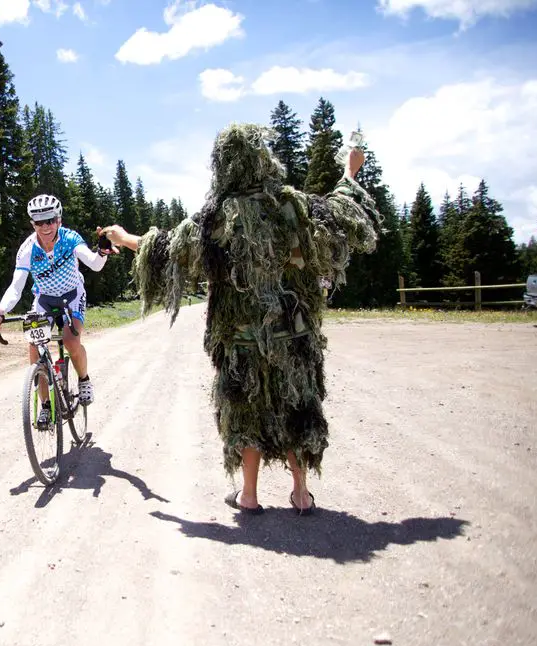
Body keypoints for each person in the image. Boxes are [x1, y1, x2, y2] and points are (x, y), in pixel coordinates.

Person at [99, 122, 380, 516]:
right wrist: (351, 171)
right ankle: (301, 494)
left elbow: (167, 249)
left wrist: (124, 238)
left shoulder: (216, 217)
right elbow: (340, 217)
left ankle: (249, 495)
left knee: (245, 410)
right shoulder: (292, 206)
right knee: (297, 406)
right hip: (293, 334)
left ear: (224, 165)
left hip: (241, 341)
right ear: (263, 160)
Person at [0, 193, 116, 426]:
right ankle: (46, 405)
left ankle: (84, 379)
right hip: (45, 299)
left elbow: (95, 264)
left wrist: (103, 251)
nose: (46, 226)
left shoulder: (70, 238)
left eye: (50, 220)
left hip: (72, 296)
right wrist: (0, 310)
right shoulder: (27, 249)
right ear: (33, 224)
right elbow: (16, 287)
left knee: (70, 341)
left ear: (59, 220)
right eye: (40, 222)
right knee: (34, 345)